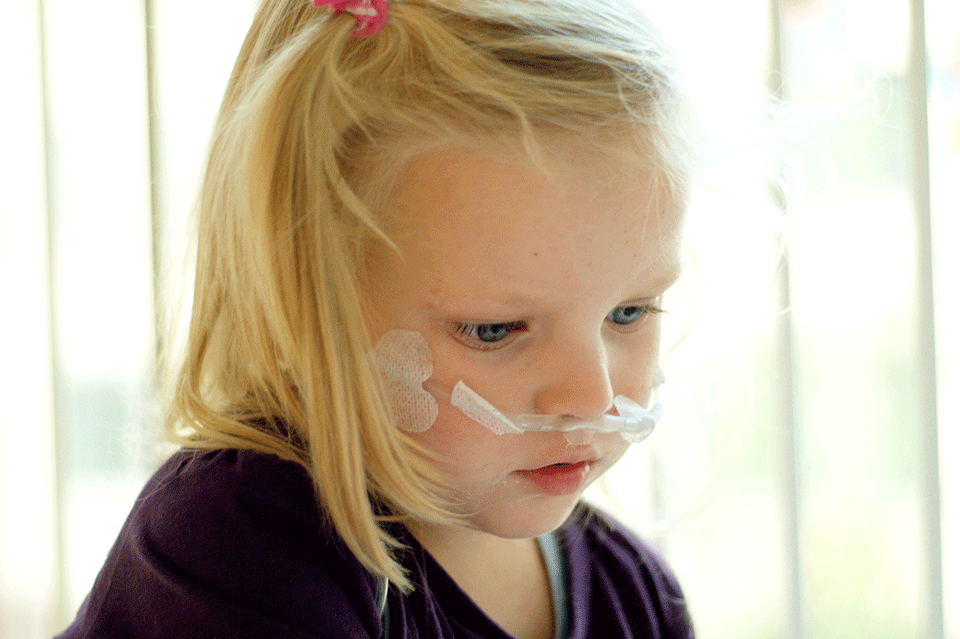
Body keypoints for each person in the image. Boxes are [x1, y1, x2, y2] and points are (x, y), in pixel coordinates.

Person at [58, 0, 699, 637]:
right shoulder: (237, 547)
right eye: (495, 330)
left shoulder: (634, 592)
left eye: (629, 312)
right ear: (303, 300)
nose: (593, 396)